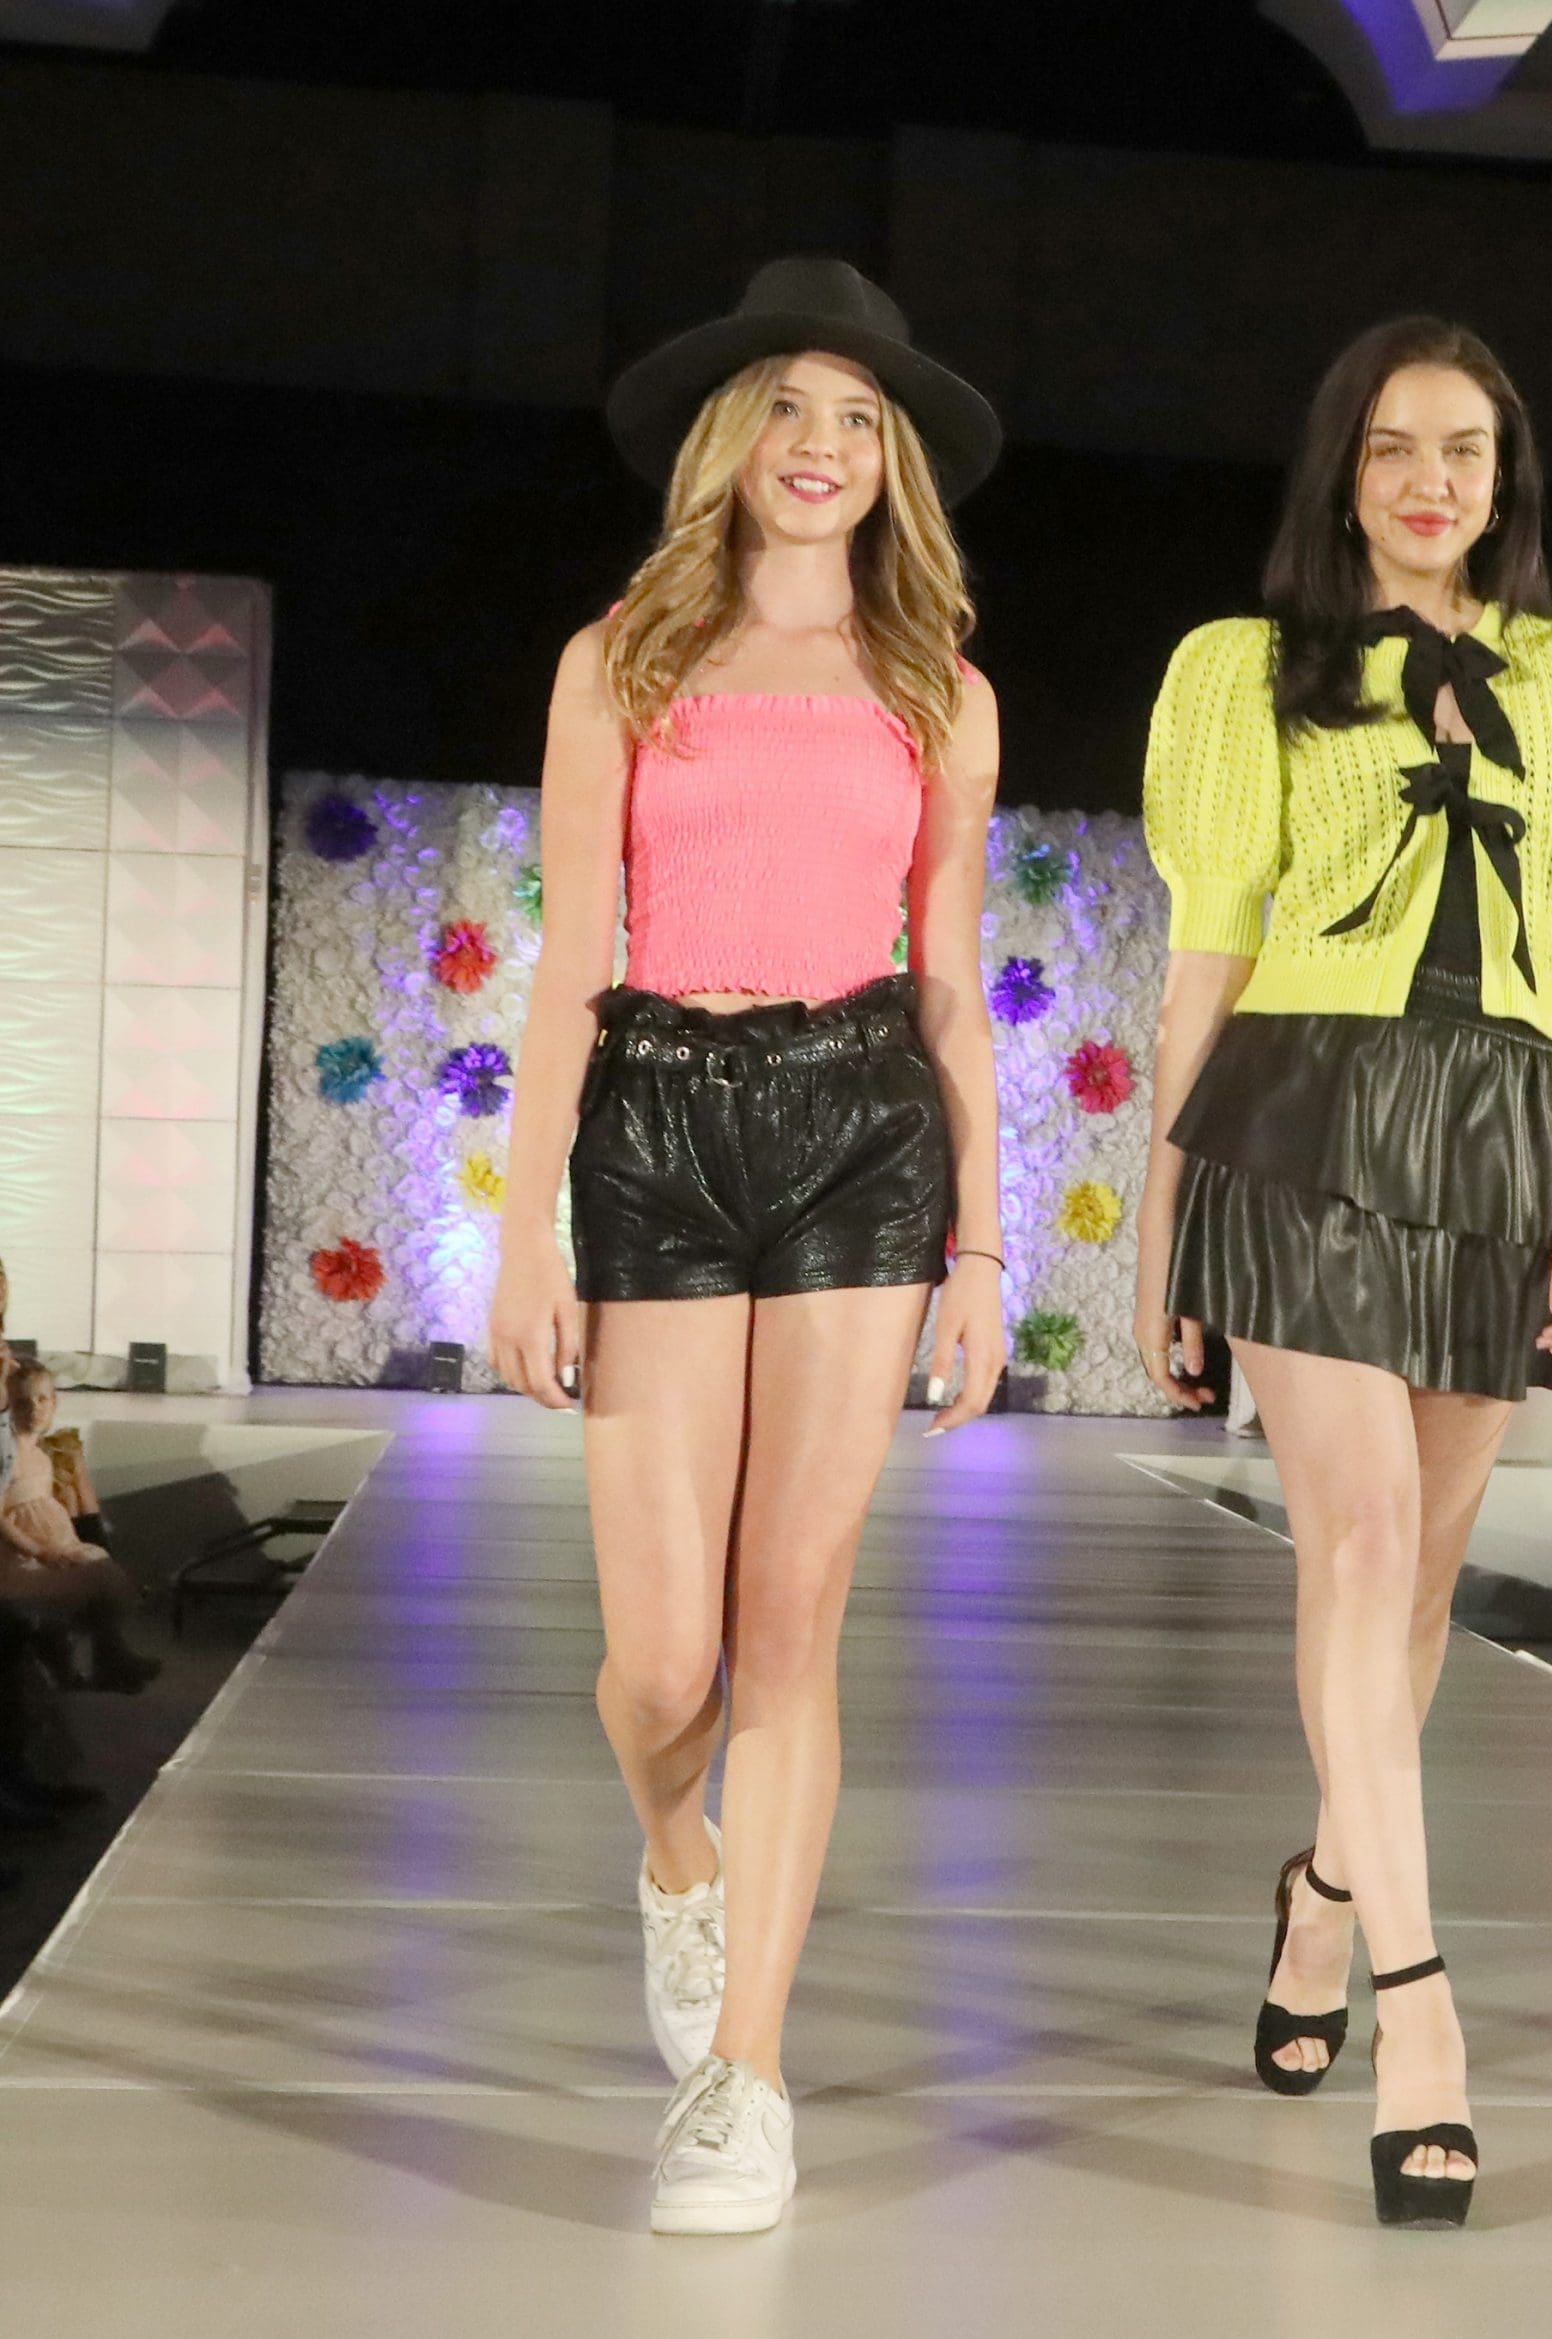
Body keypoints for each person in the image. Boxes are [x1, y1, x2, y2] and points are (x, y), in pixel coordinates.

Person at [487, 256, 1008, 2237]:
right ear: (729, 436)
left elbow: (948, 982)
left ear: (893, 464)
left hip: (860, 1131)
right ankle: (673, 1846)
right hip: (657, 1125)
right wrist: (528, 1234)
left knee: (791, 1624)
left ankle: (747, 2073)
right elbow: (569, 959)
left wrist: (979, 1246)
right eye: (788, 405)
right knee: (661, 1660)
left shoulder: (936, 687)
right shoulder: (617, 658)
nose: (820, 444)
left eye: (858, 418)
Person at [1133, 314, 1552, 2229]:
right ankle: (1421, 2013)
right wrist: (1163, 1216)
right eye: (1392, 448)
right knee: (1357, 1546)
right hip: (1304, 1111)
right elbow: (1207, 957)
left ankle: (1327, 1893)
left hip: (1504, 1125)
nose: (1431, 482)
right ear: (1340, 473)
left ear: (1505, 476)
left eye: (1465, 449)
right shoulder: (1244, 665)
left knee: (1421, 1579)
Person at [2, 1363, 158, 1693]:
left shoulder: (41, 1456)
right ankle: (95, 1661)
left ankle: (100, 1659)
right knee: (94, 1577)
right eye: (23, 1402)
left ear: (54, 1402)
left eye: (42, 1400)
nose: (34, 1409)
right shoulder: (7, 1456)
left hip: (53, 1547)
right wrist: (38, 1551)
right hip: (19, 1559)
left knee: (97, 1566)